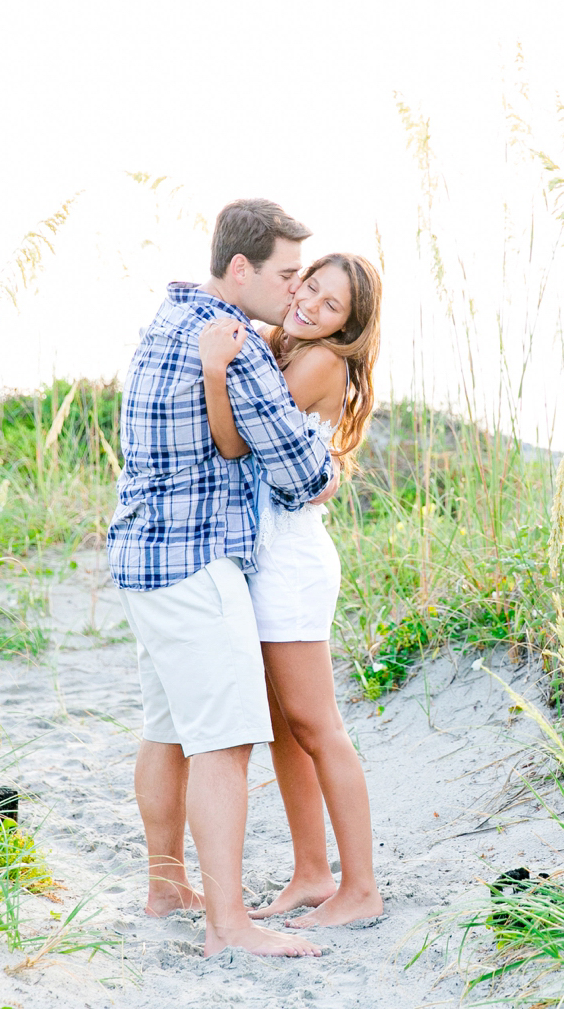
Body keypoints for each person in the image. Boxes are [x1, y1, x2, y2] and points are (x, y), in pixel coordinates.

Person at [107, 199, 337, 958]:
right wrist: (327, 459)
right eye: (284, 273)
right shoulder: (230, 342)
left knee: (168, 731)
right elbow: (304, 473)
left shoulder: (168, 323)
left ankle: (166, 883)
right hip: (196, 566)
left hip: (145, 563)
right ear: (239, 269)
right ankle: (228, 925)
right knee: (226, 743)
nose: (294, 290)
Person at [197, 252, 385, 929]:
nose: (309, 302)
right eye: (309, 286)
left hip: (292, 563)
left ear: (349, 325)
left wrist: (217, 370)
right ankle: (312, 872)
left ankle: (360, 887)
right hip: (267, 556)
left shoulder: (320, 362)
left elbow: (241, 439)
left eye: (331, 304)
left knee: (318, 725)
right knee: (283, 727)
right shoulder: (289, 346)